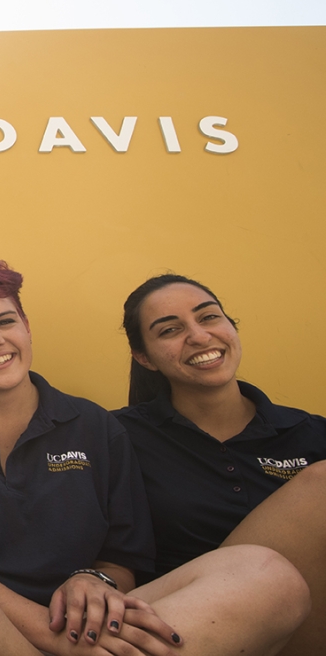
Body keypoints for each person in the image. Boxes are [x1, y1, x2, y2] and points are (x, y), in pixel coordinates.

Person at [0, 256, 308, 656]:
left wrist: (96, 581)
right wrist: (50, 640)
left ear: (25, 326)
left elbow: (123, 560)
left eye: (4, 322)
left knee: (266, 572)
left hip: (89, 632)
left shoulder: (96, 425)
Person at [115, 274, 326, 656]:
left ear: (231, 327)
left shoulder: (311, 434)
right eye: (170, 330)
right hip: (187, 630)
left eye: (209, 317)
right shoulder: (116, 435)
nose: (198, 336)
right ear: (144, 357)